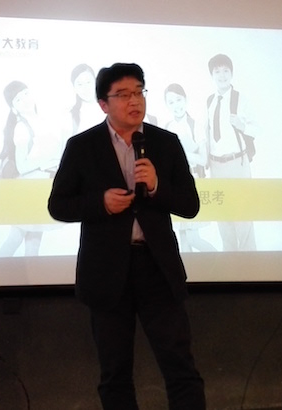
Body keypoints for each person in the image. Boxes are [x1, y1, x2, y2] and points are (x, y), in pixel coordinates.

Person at [48, 63, 206, 410]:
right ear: (103, 104)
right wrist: (100, 203)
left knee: (180, 367)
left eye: (138, 92)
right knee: (115, 373)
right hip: (107, 273)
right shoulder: (82, 146)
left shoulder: (165, 143)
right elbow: (58, 206)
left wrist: (157, 186)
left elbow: (190, 205)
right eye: (123, 94)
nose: (134, 101)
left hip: (157, 269)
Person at [0, 80, 61, 257]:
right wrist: (46, 160)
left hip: (41, 189)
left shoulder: (44, 121)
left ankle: (28, 276)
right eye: (18, 99)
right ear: (14, 108)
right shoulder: (21, 127)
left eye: (25, 94)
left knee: (33, 242)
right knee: (15, 238)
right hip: (27, 190)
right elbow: (22, 166)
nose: (24, 100)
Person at [204, 53, 257, 251]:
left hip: (237, 163)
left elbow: (258, 128)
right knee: (223, 217)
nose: (222, 75)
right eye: (217, 71)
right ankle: (229, 263)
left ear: (232, 73)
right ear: (212, 75)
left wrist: (243, 125)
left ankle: (250, 264)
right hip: (216, 165)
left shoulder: (241, 99)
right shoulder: (210, 101)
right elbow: (207, 133)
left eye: (226, 70)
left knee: (243, 216)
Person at [164, 83, 216, 252]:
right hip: (174, 186)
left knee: (193, 237)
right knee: (184, 239)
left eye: (178, 100)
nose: (176, 105)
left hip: (193, 181)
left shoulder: (195, 125)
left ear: (185, 100)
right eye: (171, 102)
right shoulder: (168, 128)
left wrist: (182, 154)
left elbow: (203, 159)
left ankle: (221, 260)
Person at [69, 63, 105, 136]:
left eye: (88, 82)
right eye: (80, 84)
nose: (85, 88)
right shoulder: (71, 115)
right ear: (74, 88)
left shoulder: (109, 107)